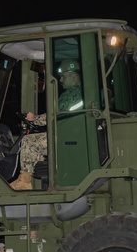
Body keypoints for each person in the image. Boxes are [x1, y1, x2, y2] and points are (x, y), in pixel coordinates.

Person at [11, 59, 83, 190]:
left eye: (63, 76)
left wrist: (34, 118)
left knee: (29, 141)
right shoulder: (83, 92)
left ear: (73, 76)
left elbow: (54, 115)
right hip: (73, 132)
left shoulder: (71, 94)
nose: (60, 80)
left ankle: (25, 181)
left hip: (65, 136)